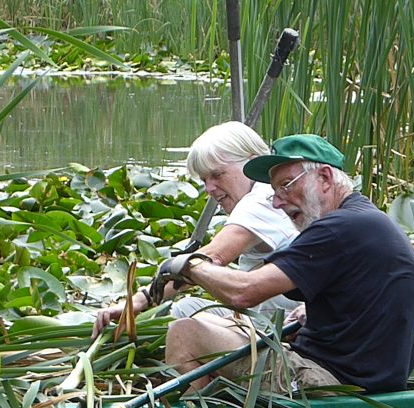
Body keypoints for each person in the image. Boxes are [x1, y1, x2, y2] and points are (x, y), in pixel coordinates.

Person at [157, 134, 414, 394]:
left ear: (324, 178)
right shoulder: (363, 218)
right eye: (274, 191)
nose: (276, 201)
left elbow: (244, 292)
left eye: (286, 185)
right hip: (355, 373)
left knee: (186, 332)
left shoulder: (338, 228)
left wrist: (191, 265)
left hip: (332, 381)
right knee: (211, 320)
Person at [92, 121, 299, 339]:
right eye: (204, 180)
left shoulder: (261, 200)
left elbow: (210, 258)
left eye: (218, 175)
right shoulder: (270, 193)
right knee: (189, 308)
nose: (209, 188)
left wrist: (140, 300)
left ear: (253, 162)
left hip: (287, 320)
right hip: (275, 313)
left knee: (185, 313)